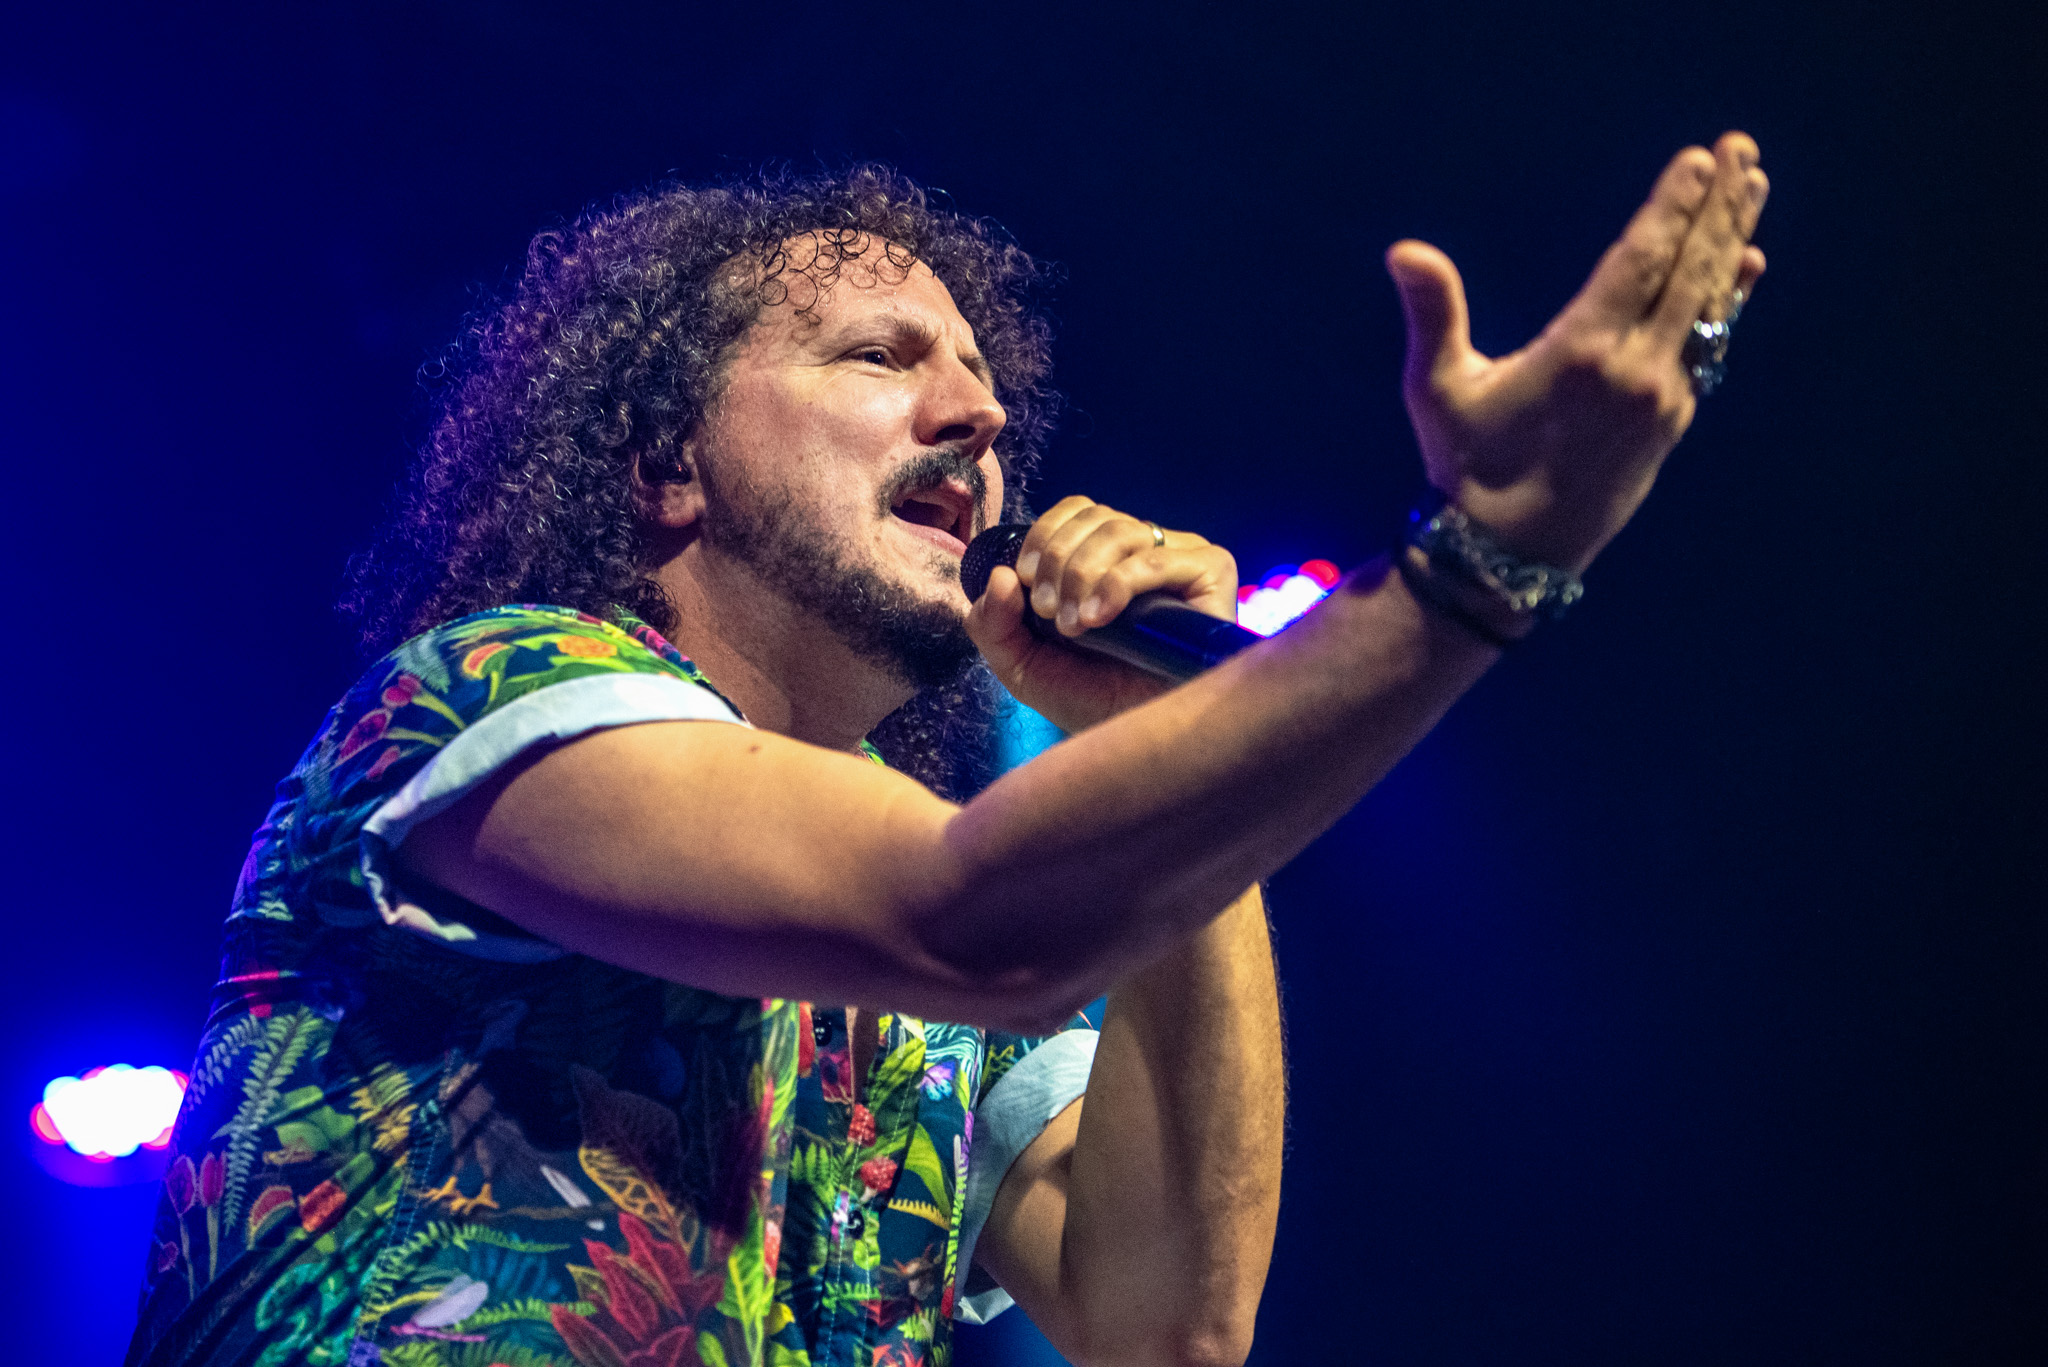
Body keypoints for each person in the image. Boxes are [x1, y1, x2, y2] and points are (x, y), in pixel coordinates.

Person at [127, 136, 1768, 1367]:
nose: (979, 422)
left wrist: (1169, 726)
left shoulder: (914, 1000)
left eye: (984, 382)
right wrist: (1480, 568)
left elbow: (1166, 1322)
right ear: (667, 459)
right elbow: (966, 920)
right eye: (881, 358)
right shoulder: (492, 706)